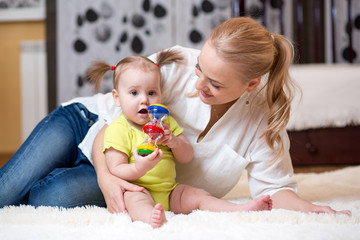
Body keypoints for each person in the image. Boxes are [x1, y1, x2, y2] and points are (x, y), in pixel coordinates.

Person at [0, 17, 351, 217]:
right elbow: (108, 123)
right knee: (8, 190)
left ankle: (58, 175)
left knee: (50, 199)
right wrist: (107, 179)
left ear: (251, 84)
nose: (198, 84)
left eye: (214, 83)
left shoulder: (260, 120)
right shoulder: (178, 63)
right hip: (87, 125)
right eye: (200, 69)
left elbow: (276, 189)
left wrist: (311, 209)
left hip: (136, 174)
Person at [87, 49, 272, 228]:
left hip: (170, 190)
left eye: (151, 93)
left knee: (198, 195)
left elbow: (187, 156)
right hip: (139, 189)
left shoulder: (165, 123)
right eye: (134, 93)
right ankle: (151, 218)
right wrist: (139, 167)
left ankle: (238, 209)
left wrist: (174, 142)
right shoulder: (118, 128)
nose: (144, 100)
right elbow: (115, 169)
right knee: (134, 200)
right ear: (117, 98)